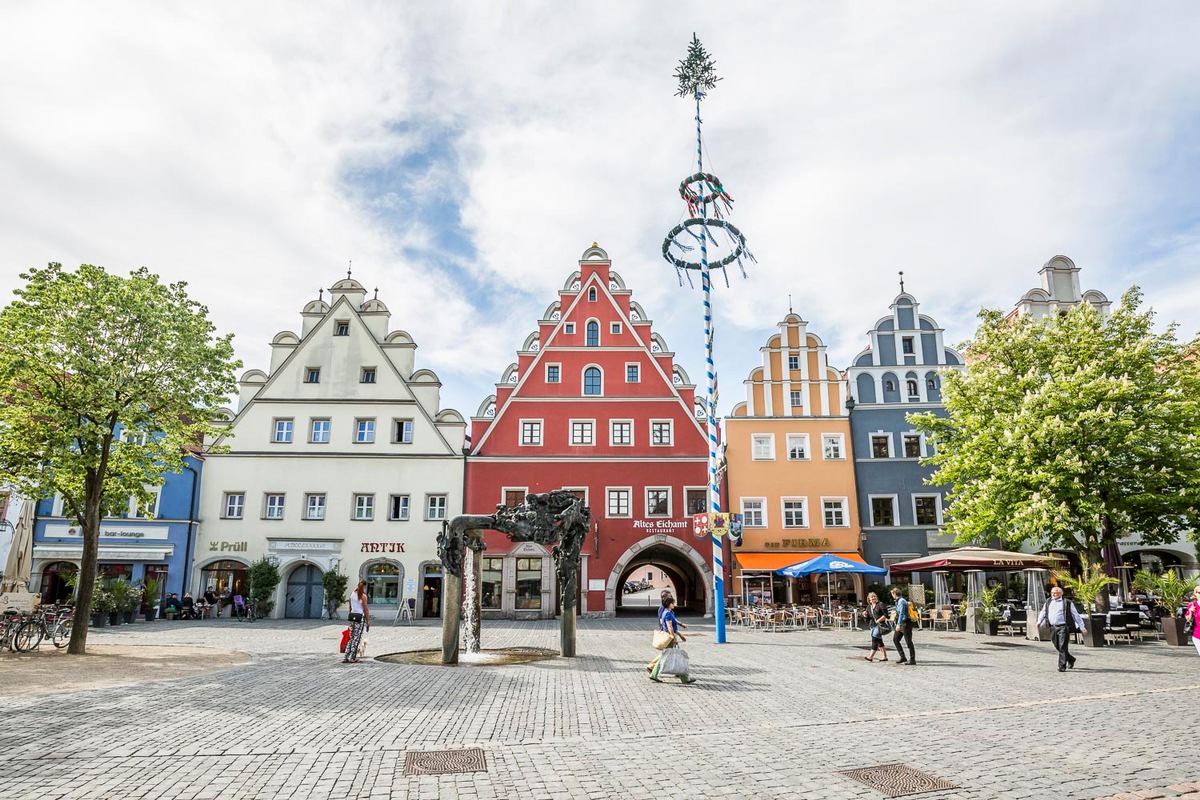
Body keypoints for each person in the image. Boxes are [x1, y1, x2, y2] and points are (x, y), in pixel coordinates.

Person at [1036, 586, 1087, 672]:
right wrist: (1039, 621)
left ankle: (1062, 666)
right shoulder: (1048, 602)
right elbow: (1043, 612)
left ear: (1061, 593)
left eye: (1055, 593)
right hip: (1053, 627)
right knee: (1057, 645)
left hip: (1063, 627)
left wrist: (1082, 627)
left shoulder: (1067, 602)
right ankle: (1071, 659)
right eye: (1052, 593)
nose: (1053, 594)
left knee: (1062, 646)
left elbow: (1076, 615)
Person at [649, 599, 693, 684]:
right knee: (675, 657)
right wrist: (674, 638)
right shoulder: (668, 613)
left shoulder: (666, 612)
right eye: (672, 603)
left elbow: (673, 624)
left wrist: (680, 634)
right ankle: (684, 678)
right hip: (670, 637)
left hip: (669, 636)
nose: (674, 604)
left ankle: (684, 678)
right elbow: (670, 627)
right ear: (669, 604)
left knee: (670, 656)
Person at [343, 579, 370, 664]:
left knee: (351, 638)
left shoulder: (352, 594)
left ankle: (346, 657)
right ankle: (353, 658)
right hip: (359, 618)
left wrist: (350, 614)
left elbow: (350, 606)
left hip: (352, 617)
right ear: (365, 587)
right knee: (357, 638)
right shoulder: (363, 596)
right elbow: (365, 610)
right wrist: (368, 621)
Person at [890, 587, 916, 665]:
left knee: (908, 641)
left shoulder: (901, 601)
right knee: (895, 639)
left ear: (894, 593)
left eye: (892, 594)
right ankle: (903, 657)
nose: (892, 595)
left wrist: (898, 624)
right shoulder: (897, 601)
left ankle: (912, 659)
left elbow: (901, 613)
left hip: (905, 623)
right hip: (902, 623)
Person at [864, 592, 889, 662]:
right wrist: (865, 615)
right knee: (879, 641)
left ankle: (870, 657)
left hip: (880, 625)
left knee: (874, 639)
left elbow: (886, 615)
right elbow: (868, 619)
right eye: (871, 597)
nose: (873, 598)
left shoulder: (880, 604)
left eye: (874, 596)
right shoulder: (869, 607)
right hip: (873, 626)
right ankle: (885, 657)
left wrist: (879, 620)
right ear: (869, 599)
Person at [1185, 586, 1200, 657]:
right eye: (1199, 592)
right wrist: (1191, 612)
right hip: (1197, 635)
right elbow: (1188, 619)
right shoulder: (1192, 605)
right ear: (1195, 593)